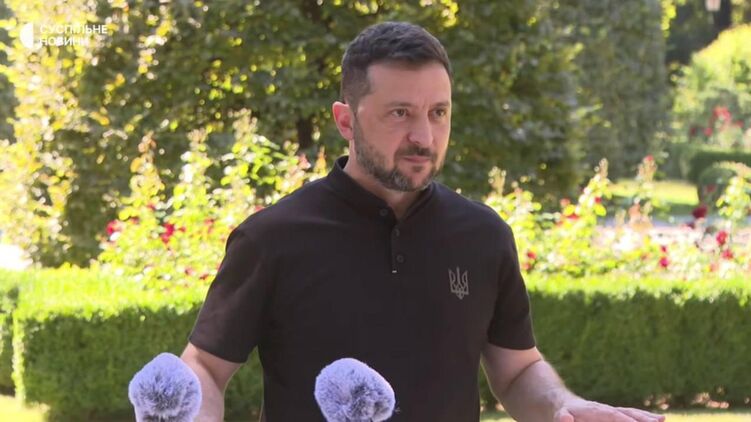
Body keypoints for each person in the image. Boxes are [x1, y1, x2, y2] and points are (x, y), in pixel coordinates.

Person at [181, 21, 666, 422]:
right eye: (400, 113)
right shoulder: (272, 239)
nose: (424, 136)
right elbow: (204, 366)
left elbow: (517, 371)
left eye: (438, 113)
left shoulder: (483, 236)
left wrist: (564, 406)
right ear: (346, 121)